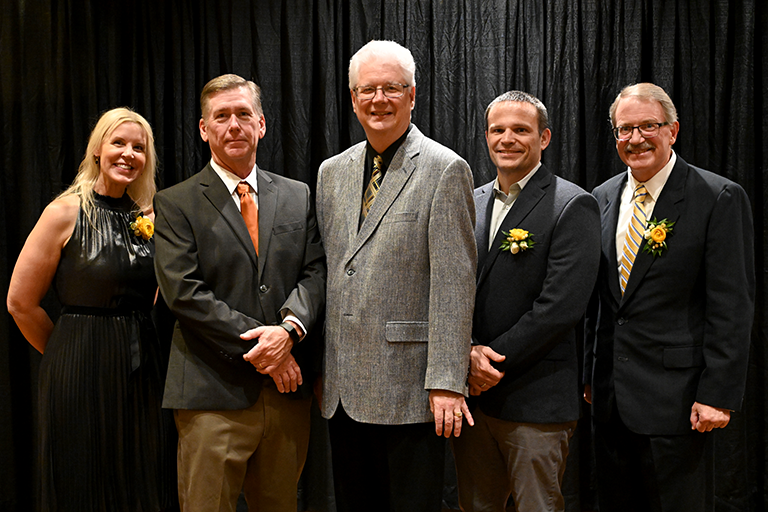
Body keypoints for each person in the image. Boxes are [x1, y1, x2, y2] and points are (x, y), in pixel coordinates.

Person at [315, 40, 476, 512]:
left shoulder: (445, 169)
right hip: (343, 389)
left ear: (412, 96)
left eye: (391, 88)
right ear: (352, 97)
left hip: (410, 390)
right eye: (368, 89)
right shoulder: (332, 172)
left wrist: (447, 380)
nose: (378, 99)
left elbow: (454, 283)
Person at [153, 74, 325, 512]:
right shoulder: (175, 203)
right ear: (203, 128)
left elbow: (315, 272)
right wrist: (269, 348)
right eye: (221, 117)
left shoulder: (297, 195)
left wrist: (288, 332)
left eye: (243, 114)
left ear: (261, 124)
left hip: (286, 398)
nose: (233, 125)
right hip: (212, 392)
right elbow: (184, 294)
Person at [584, 82, 755, 512]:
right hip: (609, 401)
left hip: (678, 402)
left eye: (648, 126)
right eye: (624, 129)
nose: (635, 138)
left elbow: (731, 306)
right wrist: (589, 372)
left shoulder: (716, 197)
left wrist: (718, 394)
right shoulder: (600, 198)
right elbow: (597, 300)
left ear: (673, 130)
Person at [7, 108, 175, 511]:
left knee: (140, 477)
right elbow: (20, 303)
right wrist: (66, 352)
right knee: (80, 478)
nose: (128, 154)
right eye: (118, 143)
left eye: (139, 147)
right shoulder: (63, 213)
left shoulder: (148, 218)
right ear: (98, 150)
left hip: (141, 367)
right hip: (78, 365)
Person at [450, 91, 601, 512]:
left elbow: (560, 307)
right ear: (486, 136)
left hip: (535, 402)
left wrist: (488, 361)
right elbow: (450, 287)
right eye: (498, 130)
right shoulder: (470, 200)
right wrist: (465, 354)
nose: (508, 138)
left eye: (521, 129)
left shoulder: (571, 204)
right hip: (473, 400)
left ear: (545, 137)